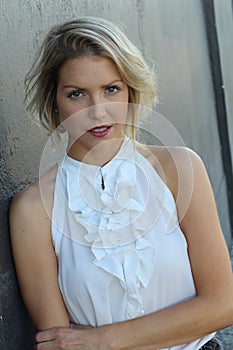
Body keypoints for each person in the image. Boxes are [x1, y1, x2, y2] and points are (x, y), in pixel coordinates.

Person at [9, 17, 233, 350]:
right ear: (54, 100)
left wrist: (105, 340)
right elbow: (59, 342)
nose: (98, 111)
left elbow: (223, 304)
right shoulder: (34, 208)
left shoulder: (179, 168)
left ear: (130, 90)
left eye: (111, 89)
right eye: (77, 94)